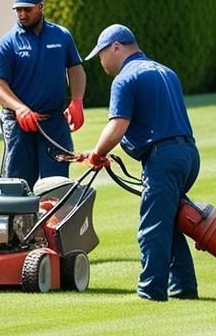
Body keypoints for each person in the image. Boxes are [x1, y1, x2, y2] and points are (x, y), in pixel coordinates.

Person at [74, 24, 200, 301]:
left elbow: (118, 126)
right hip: (189, 155)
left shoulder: (125, 79)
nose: (101, 61)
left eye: (102, 54)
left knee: (153, 227)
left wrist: (96, 154)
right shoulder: (166, 71)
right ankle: (183, 286)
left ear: (116, 47)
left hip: (163, 158)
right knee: (168, 221)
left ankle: (151, 291)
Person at [0, 0, 87, 185]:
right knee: (17, 183)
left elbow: (75, 69)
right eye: (18, 10)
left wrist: (77, 100)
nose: (22, 14)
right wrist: (19, 108)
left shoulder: (61, 36)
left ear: (40, 7)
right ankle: (21, 218)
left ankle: (54, 217)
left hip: (54, 121)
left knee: (57, 183)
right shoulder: (7, 43)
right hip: (19, 124)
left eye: (27, 9)